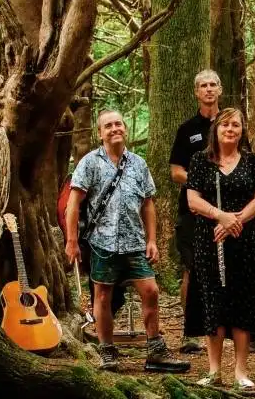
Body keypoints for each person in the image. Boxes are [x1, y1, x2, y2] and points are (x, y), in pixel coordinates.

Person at [65, 110, 189, 373]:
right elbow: (73, 205)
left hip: (134, 242)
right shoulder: (89, 163)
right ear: (100, 133)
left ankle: (155, 350)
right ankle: (107, 351)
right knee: (102, 296)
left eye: (118, 124)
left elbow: (148, 205)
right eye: (108, 126)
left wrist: (152, 240)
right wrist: (72, 240)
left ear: (125, 129)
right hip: (102, 243)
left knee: (151, 291)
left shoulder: (138, 164)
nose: (114, 129)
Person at [169, 69, 255, 356]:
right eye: (203, 86)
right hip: (198, 214)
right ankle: (193, 332)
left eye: (213, 85)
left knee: (243, 275)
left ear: (220, 89)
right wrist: (204, 180)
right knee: (195, 271)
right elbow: (176, 171)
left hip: (238, 215)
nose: (208, 89)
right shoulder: (188, 130)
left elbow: (253, 180)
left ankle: (253, 335)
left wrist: (234, 213)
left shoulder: (235, 125)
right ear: (196, 92)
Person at [182, 109, 255, 391]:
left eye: (236, 125)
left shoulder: (253, 161)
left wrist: (236, 220)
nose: (230, 129)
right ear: (216, 130)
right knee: (214, 300)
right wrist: (220, 217)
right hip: (210, 239)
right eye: (225, 125)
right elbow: (193, 200)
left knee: (242, 300)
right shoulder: (200, 161)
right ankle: (214, 371)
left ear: (242, 130)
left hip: (244, 240)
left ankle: (241, 371)